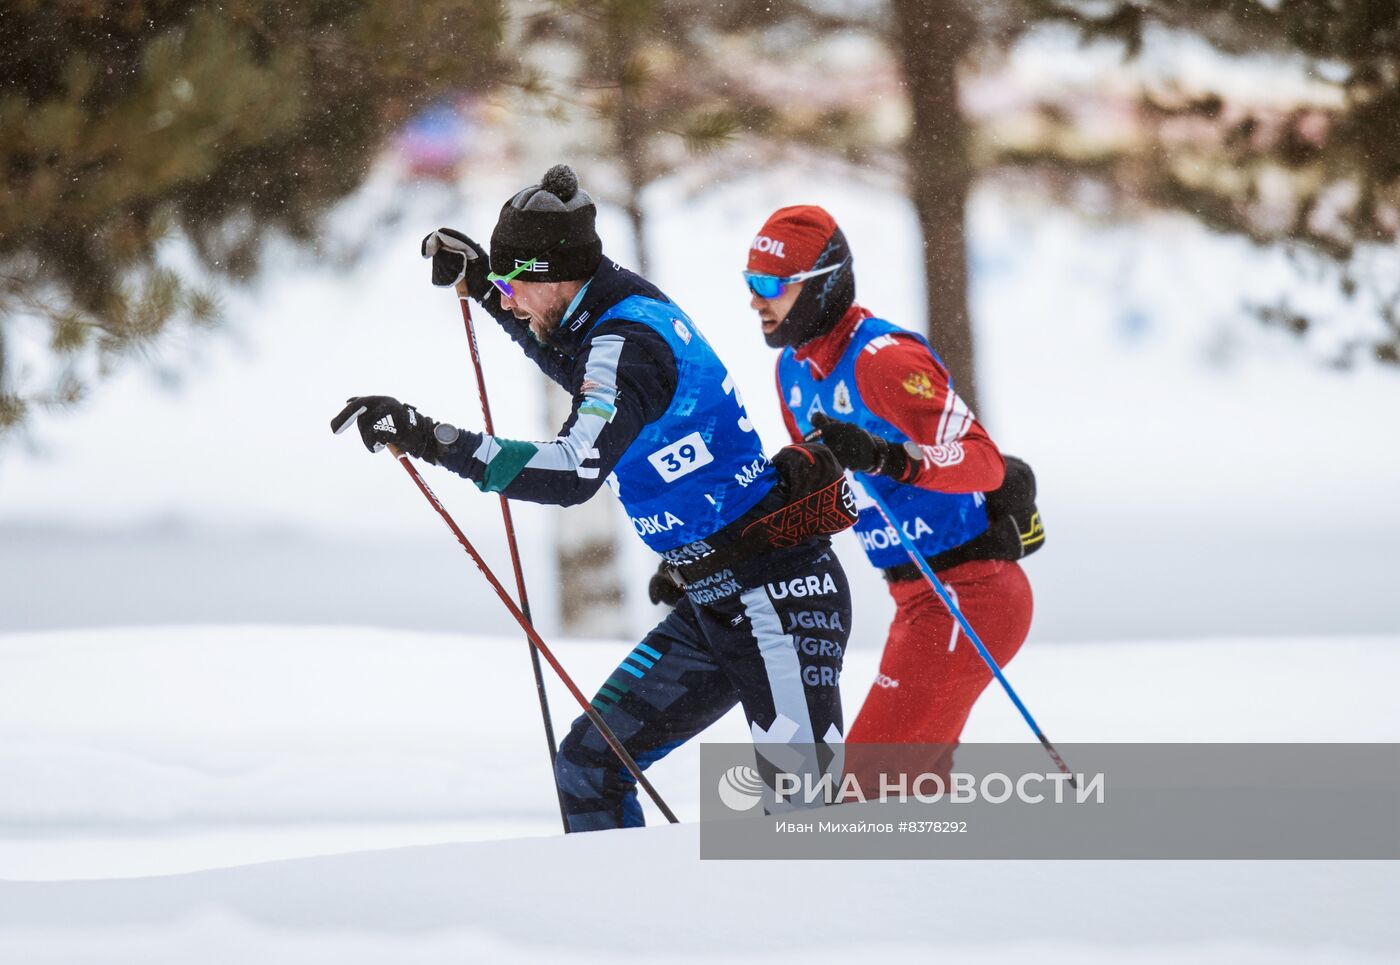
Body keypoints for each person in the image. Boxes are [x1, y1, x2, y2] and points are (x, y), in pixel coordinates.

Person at [332, 166, 855, 831]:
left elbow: (574, 468)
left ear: (552, 275)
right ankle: (628, 927)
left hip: (773, 593)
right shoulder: (607, 303)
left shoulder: (624, 343)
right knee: (588, 765)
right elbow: (568, 354)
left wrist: (430, 437)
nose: (511, 301)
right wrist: (486, 282)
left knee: (807, 819)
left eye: (515, 285)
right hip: (713, 600)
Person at [745, 204, 1044, 773]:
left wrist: (889, 458)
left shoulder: (883, 360)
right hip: (914, 598)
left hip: (969, 592)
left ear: (821, 286)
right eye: (749, 283)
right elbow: (814, 493)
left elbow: (983, 462)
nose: (756, 300)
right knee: (913, 795)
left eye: (770, 284)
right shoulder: (791, 372)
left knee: (864, 790)